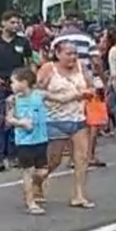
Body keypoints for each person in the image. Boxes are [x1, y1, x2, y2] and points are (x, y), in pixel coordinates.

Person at [37, 39, 96, 209]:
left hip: (78, 119)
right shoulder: (48, 69)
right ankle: (37, 181)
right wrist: (61, 98)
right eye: (68, 54)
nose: (73, 57)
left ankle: (79, 194)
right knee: (54, 160)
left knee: (82, 158)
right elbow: (36, 91)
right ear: (57, 54)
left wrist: (87, 93)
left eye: (75, 53)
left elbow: (91, 86)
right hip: (54, 120)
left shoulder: (81, 68)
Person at [0, 11, 33, 172]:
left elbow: (29, 63)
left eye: (17, 22)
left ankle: (13, 156)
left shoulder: (23, 41)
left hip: (18, 86)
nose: (15, 25)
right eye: (12, 22)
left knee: (16, 120)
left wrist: (30, 81)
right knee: (0, 120)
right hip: (0, 85)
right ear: (3, 23)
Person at [5, 67, 50, 215]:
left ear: (24, 83)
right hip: (24, 141)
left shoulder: (39, 95)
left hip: (41, 138)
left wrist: (77, 95)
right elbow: (9, 119)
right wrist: (21, 123)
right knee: (28, 171)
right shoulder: (13, 100)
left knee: (43, 171)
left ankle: (35, 187)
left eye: (13, 82)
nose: (11, 85)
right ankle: (30, 202)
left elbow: (59, 98)